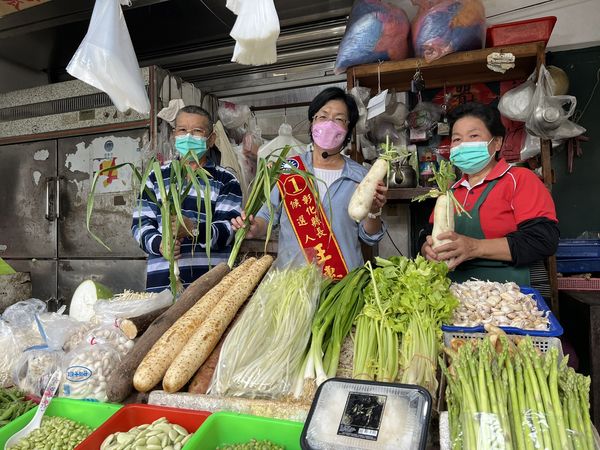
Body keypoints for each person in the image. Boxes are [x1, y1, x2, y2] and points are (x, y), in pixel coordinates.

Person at [231, 87, 387, 278]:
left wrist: (374, 211)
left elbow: (370, 237)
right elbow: (267, 216)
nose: (329, 124)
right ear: (312, 122)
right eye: (322, 116)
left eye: (339, 119)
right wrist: (254, 227)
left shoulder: (361, 176)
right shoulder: (289, 168)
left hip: (342, 286)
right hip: (293, 287)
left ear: (348, 129)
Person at [421, 102, 559, 290]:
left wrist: (474, 247)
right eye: (457, 139)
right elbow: (429, 236)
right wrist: (427, 249)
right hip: (456, 294)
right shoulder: (450, 192)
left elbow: (542, 241)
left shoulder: (520, 179)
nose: (463, 145)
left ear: (497, 142)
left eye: (474, 136)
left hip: (508, 295)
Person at [132, 105, 243, 292]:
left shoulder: (225, 180)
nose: (188, 137)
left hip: (211, 288)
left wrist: (193, 229)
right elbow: (140, 225)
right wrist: (160, 244)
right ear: (174, 135)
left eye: (197, 131)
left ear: (211, 139)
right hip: (162, 286)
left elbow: (228, 230)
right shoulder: (156, 176)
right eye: (182, 130)